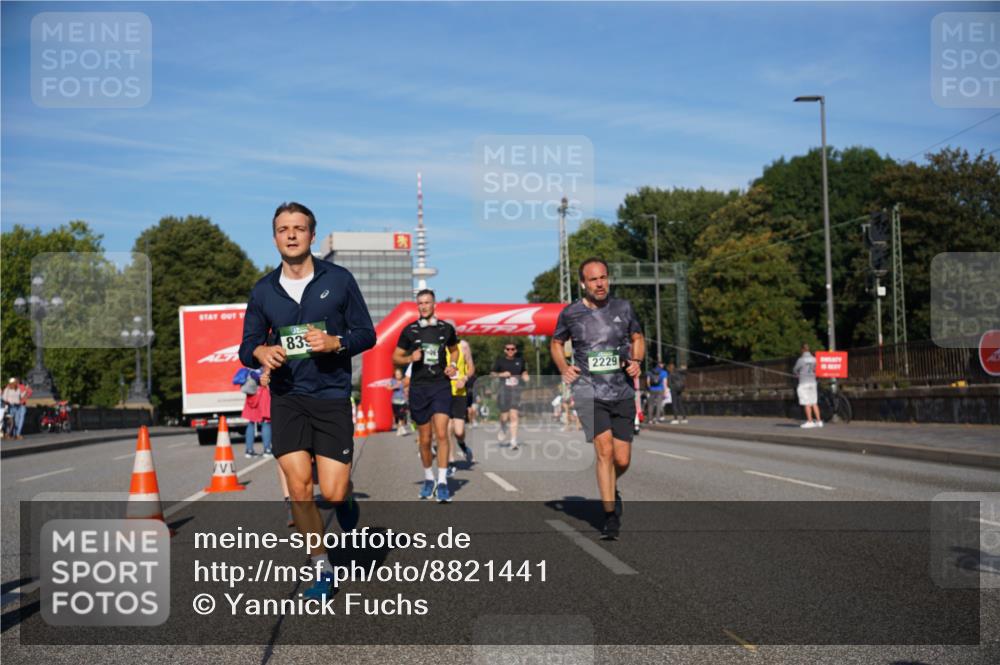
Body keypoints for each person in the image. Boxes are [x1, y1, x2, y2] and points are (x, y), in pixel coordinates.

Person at [239, 201, 375, 599]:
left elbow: (367, 334)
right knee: (299, 490)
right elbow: (247, 344)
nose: (292, 234)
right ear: (275, 237)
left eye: (300, 228)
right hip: (287, 397)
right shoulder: (264, 290)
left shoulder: (340, 279)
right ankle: (321, 568)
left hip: (331, 395)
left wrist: (337, 342)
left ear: (312, 235)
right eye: (284, 229)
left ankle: (346, 501)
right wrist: (261, 353)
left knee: (331, 492)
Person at [551, 257, 644, 540]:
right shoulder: (570, 314)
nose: (600, 283)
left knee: (622, 458)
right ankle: (609, 516)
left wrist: (637, 359)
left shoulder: (624, 308)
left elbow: (637, 336)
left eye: (603, 277)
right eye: (593, 279)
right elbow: (556, 343)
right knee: (604, 451)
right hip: (589, 391)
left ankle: (611, 486)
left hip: (623, 390)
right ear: (583, 283)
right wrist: (564, 368)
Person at [392, 290, 459, 503]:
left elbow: (454, 350)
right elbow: (396, 357)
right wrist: (411, 357)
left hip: (440, 385)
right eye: (420, 303)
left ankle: (442, 482)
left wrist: (452, 365)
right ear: (417, 306)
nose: (423, 306)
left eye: (427, 302)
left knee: (442, 433)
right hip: (419, 387)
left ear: (434, 304)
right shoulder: (410, 330)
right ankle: (428, 478)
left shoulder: (446, 329)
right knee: (424, 438)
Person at [491, 342, 529, 450]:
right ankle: (503, 428)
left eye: (512, 349)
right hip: (503, 391)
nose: (510, 351)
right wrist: (501, 374)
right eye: (508, 349)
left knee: (514, 415)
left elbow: (523, 371)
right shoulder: (500, 361)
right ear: (505, 350)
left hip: (516, 391)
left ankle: (513, 441)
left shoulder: (520, 361)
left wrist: (525, 375)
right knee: (504, 417)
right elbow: (492, 374)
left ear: (515, 350)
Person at [448, 339, 475, 464]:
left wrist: (464, 379)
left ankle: (463, 445)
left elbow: (471, 368)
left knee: (459, 431)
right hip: (444, 392)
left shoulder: (463, 345)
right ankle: (451, 461)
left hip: (460, 393)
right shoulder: (439, 346)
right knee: (447, 428)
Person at [241, 370, 272, 458]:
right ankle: (267, 449)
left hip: (252, 393)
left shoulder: (251, 363)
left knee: (251, 422)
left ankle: (249, 450)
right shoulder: (264, 361)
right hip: (263, 392)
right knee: (266, 422)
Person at [793, 343, 821, 428]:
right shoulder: (814, 359)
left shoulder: (801, 360)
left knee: (806, 403)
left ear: (802, 350)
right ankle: (819, 421)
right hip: (812, 382)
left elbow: (795, 370)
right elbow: (816, 370)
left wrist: (798, 374)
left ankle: (810, 421)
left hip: (804, 383)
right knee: (814, 402)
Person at [388, 367, 410, 436]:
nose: (398, 375)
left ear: (401, 375)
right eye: (397, 374)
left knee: (402, 414)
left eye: (399, 374)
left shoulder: (404, 380)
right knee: (396, 416)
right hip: (394, 401)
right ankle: (399, 428)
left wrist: (406, 391)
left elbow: (407, 388)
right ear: (395, 375)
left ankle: (402, 427)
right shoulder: (392, 381)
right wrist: (394, 387)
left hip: (402, 400)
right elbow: (388, 387)